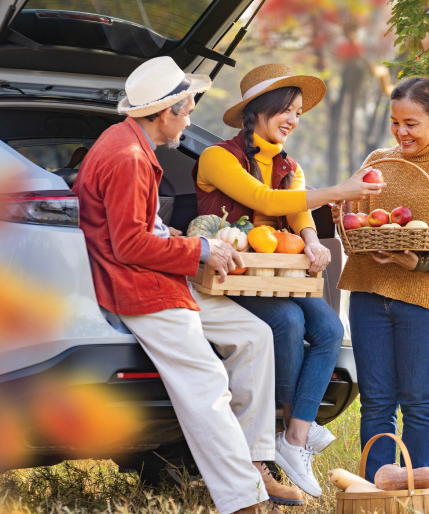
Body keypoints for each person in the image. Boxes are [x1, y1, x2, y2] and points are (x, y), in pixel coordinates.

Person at [72, 56, 302, 514]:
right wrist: (201, 251)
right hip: (140, 289)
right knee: (207, 381)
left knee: (255, 337)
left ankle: (255, 463)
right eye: (189, 108)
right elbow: (129, 245)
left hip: (163, 277)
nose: (191, 117)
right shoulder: (129, 157)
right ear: (166, 112)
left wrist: (174, 236)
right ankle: (244, 502)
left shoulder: (129, 143)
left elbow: (139, 227)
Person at [193, 63, 384, 497]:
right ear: (259, 109)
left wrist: (313, 240)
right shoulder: (217, 157)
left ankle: (294, 435)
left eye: (299, 113)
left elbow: (297, 211)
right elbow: (263, 199)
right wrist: (340, 192)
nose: (294, 120)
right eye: (287, 110)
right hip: (235, 275)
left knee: (330, 328)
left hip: (277, 273)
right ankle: (292, 424)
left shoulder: (289, 164)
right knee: (287, 322)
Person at [336, 76, 429, 481]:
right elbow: (354, 220)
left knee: (418, 401)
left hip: (424, 301)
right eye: (395, 122)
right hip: (370, 295)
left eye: (411, 123)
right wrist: (344, 217)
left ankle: (418, 491)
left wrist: (415, 264)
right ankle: (376, 490)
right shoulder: (378, 162)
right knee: (376, 402)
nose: (401, 132)